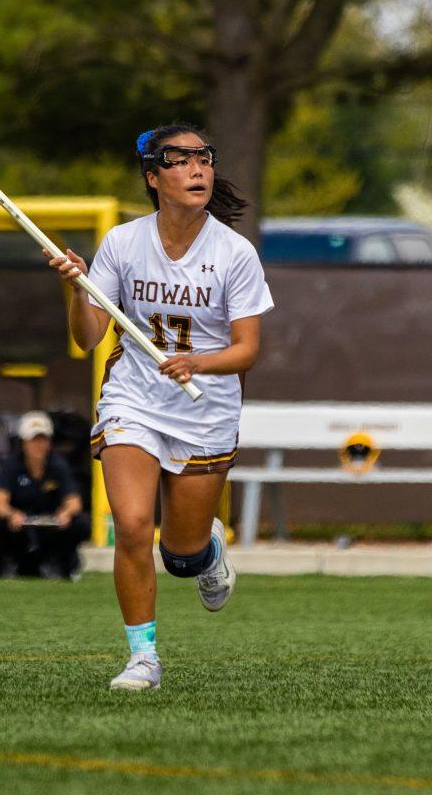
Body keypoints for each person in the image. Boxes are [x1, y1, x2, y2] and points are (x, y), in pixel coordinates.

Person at [47, 124, 273, 690]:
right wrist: (78, 290)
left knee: (181, 553)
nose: (197, 169)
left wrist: (197, 364)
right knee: (130, 523)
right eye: (180, 160)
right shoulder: (124, 244)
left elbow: (246, 351)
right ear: (154, 177)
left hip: (205, 408)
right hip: (135, 399)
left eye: (204, 158)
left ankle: (208, 549)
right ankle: (142, 658)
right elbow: (88, 337)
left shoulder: (234, 253)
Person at [0, 410, 90, 580]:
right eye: (34, 440)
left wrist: (65, 514)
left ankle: (61, 564)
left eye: (43, 439)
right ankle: (0, 566)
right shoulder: (11, 465)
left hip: (50, 527)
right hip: (17, 528)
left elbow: (74, 501)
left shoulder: (58, 466)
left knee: (81, 522)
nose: (39, 445)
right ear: (23, 443)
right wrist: (11, 514)